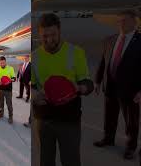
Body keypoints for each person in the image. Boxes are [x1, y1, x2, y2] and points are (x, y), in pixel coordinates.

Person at [32, 13, 93, 166]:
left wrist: (80, 88)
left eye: (53, 35)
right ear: (39, 34)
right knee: (46, 161)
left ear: (59, 31)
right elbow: (31, 85)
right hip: (44, 119)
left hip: (69, 120)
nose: (49, 39)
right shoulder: (35, 57)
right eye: (44, 36)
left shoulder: (76, 52)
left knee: (71, 160)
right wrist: (34, 95)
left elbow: (88, 83)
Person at [93, 10, 141, 159]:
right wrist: (98, 81)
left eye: (125, 20)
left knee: (131, 120)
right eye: (119, 21)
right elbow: (103, 62)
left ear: (134, 21)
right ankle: (108, 138)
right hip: (110, 85)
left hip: (130, 89)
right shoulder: (111, 39)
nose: (121, 23)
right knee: (109, 115)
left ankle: (130, 147)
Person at [0, 56, 16, 124]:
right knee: (1, 103)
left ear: (5, 62)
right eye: (0, 63)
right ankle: (1, 114)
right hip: (0, 89)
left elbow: (14, 78)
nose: (2, 64)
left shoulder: (10, 68)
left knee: (9, 104)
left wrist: (9, 80)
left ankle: (10, 116)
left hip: (8, 90)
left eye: (3, 63)